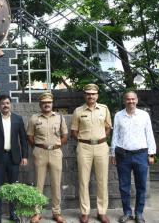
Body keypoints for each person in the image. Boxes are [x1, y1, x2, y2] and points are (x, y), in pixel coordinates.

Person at [110, 91, 156, 223]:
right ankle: (127, 213)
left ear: (137, 100)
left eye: (133, 99)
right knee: (124, 186)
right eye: (128, 99)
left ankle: (139, 213)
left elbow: (149, 134)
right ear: (124, 101)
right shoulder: (119, 115)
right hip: (122, 155)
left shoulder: (144, 115)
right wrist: (113, 153)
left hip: (141, 154)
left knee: (141, 186)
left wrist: (151, 153)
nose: (130, 101)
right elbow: (115, 135)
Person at [71, 84, 112, 223]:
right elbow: (74, 131)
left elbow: (108, 128)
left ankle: (101, 212)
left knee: (102, 180)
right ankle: (85, 212)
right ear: (84, 95)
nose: (91, 96)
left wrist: (101, 138)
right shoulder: (78, 111)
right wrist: (84, 141)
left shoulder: (104, 109)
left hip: (101, 146)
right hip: (84, 147)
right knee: (83, 180)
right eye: (88, 94)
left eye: (93, 94)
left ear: (97, 95)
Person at [0, 94, 28, 223]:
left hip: (14, 157)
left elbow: (23, 139)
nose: (5, 105)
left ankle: (13, 214)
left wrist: (25, 156)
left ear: (10, 105)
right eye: (3, 103)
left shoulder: (18, 119)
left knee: (13, 187)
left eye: (7, 103)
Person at [27, 92, 68, 223]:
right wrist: (38, 147)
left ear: (52, 104)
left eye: (49, 102)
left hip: (56, 152)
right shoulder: (34, 118)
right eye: (44, 103)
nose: (47, 105)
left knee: (56, 183)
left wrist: (58, 144)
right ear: (40, 104)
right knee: (39, 184)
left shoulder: (60, 117)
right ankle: (36, 213)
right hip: (40, 152)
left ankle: (56, 212)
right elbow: (30, 136)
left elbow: (65, 135)